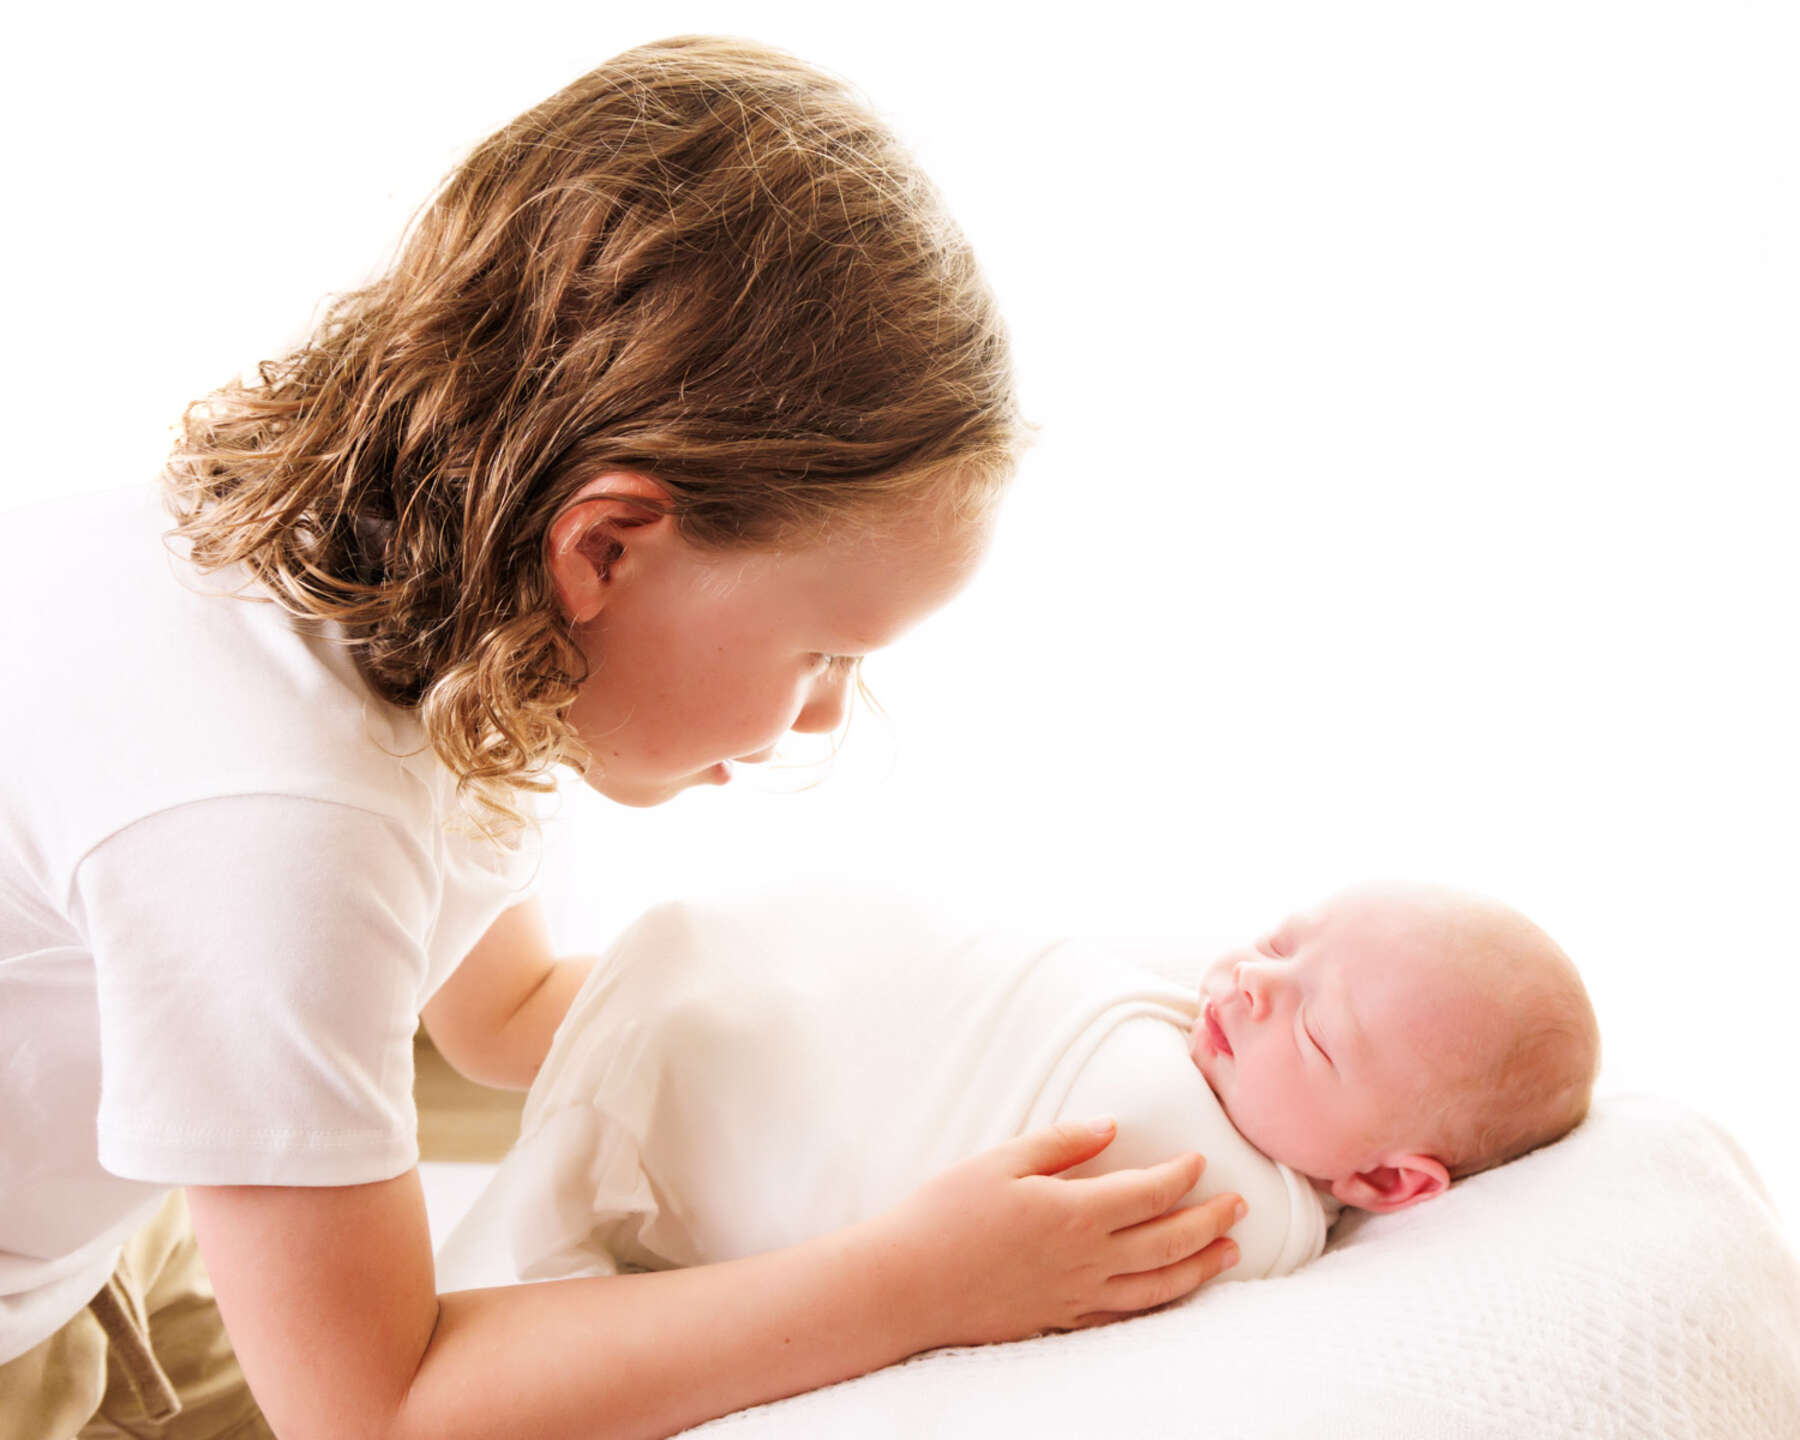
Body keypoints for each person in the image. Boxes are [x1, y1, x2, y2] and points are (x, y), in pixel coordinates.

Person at [0, 36, 1246, 1440]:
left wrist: (955, 1045)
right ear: (603, 546)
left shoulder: (425, 606)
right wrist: (919, 1285)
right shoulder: (277, 820)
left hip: (107, 1225)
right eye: (824, 652)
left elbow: (506, 1012)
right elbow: (377, 1411)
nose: (826, 712)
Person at [433, 882, 1600, 1293]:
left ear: (1389, 1182)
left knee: (537, 1059)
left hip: (732, 1116)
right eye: (1283, 943)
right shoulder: (1196, 1026)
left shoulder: (1247, 1223)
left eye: (1316, 1030)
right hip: (762, 998)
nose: (1252, 984)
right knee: (532, 1027)